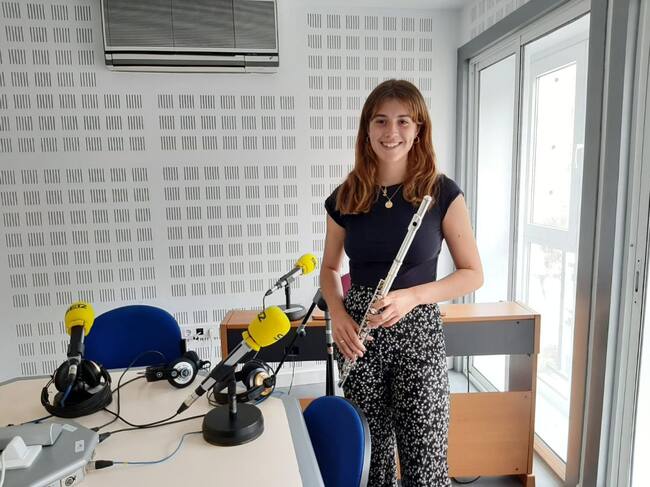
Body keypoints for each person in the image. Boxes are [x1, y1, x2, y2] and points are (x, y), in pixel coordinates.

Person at [319, 79, 483, 487]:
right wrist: (338, 314)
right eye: (380, 120)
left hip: (419, 335)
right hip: (359, 338)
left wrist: (413, 296)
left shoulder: (441, 193)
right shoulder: (346, 196)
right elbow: (329, 268)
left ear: (418, 128)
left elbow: (472, 273)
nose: (391, 132)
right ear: (367, 128)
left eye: (403, 121)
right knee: (370, 466)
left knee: (425, 464)